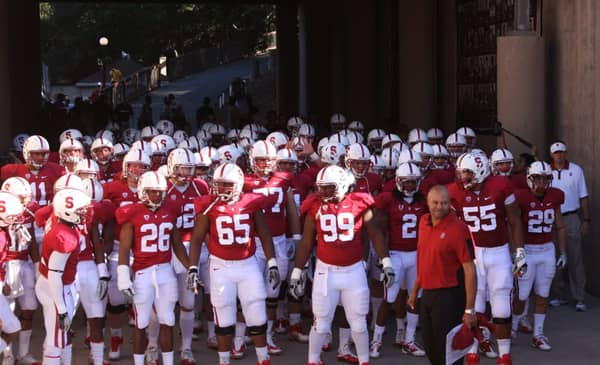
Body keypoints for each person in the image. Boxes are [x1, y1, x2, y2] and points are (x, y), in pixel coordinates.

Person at [290, 165, 394, 365]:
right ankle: (313, 360)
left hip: (353, 270)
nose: (323, 192)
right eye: (321, 187)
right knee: (320, 324)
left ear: (343, 186)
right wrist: (297, 271)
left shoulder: (359, 203)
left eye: (329, 187)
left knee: (359, 324)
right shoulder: (315, 206)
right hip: (325, 271)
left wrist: (386, 262)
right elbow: (306, 242)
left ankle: (364, 361)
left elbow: (375, 234)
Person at [187, 163, 280, 365]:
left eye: (227, 185)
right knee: (224, 316)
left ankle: (263, 359)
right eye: (219, 184)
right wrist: (193, 267)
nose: (222, 189)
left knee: (257, 313)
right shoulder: (209, 205)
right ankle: (224, 361)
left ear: (238, 184)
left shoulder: (250, 203)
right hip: (220, 266)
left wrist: (272, 261)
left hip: (247, 264)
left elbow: (264, 234)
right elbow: (196, 238)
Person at [448, 152, 526, 364]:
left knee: (501, 304)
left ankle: (504, 354)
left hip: (498, 251)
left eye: (467, 173)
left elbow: (514, 220)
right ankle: (472, 351)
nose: (462, 177)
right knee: (474, 304)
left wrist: (519, 251)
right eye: (461, 172)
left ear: (480, 172)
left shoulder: (500, 185)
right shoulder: (453, 192)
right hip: (472, 254)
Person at [407, 185, 477, 365]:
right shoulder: (423, 222)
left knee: (449, 352)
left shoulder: (458, 229)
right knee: (431, 347)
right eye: (435, 203)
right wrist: (415, 290)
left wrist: (469, 310)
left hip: (449, 296)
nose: (439, 207)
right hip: (428, 294)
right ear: (428, 203)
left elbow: (469, 269)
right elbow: (424, 259)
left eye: (444, 203)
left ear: (450, 204)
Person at [512, 161, 567, 351]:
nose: (542, 183)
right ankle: (512, 327)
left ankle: (538, 334)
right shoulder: (521, 197)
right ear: (529, 178)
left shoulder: (555, 196)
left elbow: (559, 225)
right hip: (528, 249)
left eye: (545, 178)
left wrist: (563, 251)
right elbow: (514, 225)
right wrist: (517, 252)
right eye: (537, 178)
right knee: (523, 293)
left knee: (543, 293)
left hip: (547, 250)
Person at [35, 188, 92, 365]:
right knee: (55, 342)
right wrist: (61, 308)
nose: (85, 213)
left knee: (59, 336)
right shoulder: (65, 236)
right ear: (68, 211)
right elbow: (55, 274)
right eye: (81, 210)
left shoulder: (61, 224)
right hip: (56, 288)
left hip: (53, 284)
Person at [548, 141, 591, 311]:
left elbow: (584, 196)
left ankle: (579, 297)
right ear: (552, 155)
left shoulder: (576, 170)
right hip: (551, 219)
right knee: (555, 257)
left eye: (562, 152)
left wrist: (586, 220)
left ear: (566, 153)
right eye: (556, 152)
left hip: (572, 218)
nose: (559, 155)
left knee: (575, 258)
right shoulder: (545, 170)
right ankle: (559, 295)